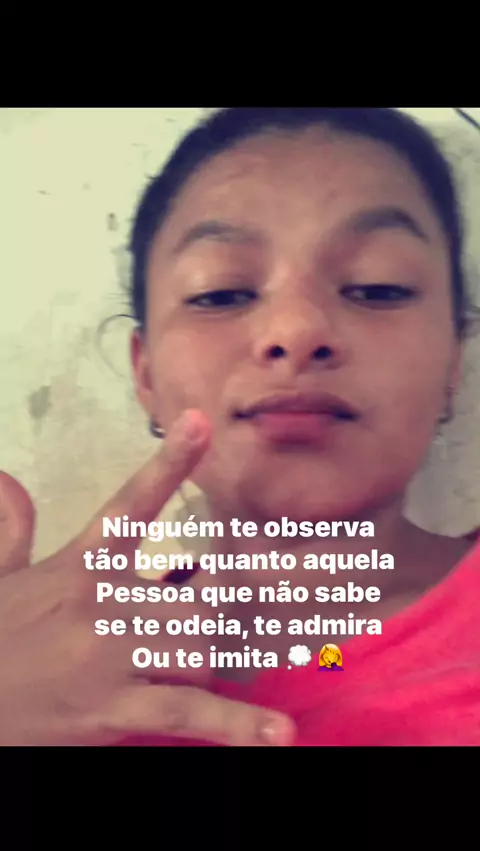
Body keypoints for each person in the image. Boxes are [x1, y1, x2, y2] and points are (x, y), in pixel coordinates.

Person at [1, 107, 479, 747]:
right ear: (147, 376)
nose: (296, 331)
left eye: (377, 286)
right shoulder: (40, 674)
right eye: (220, 294)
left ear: (453, 361)